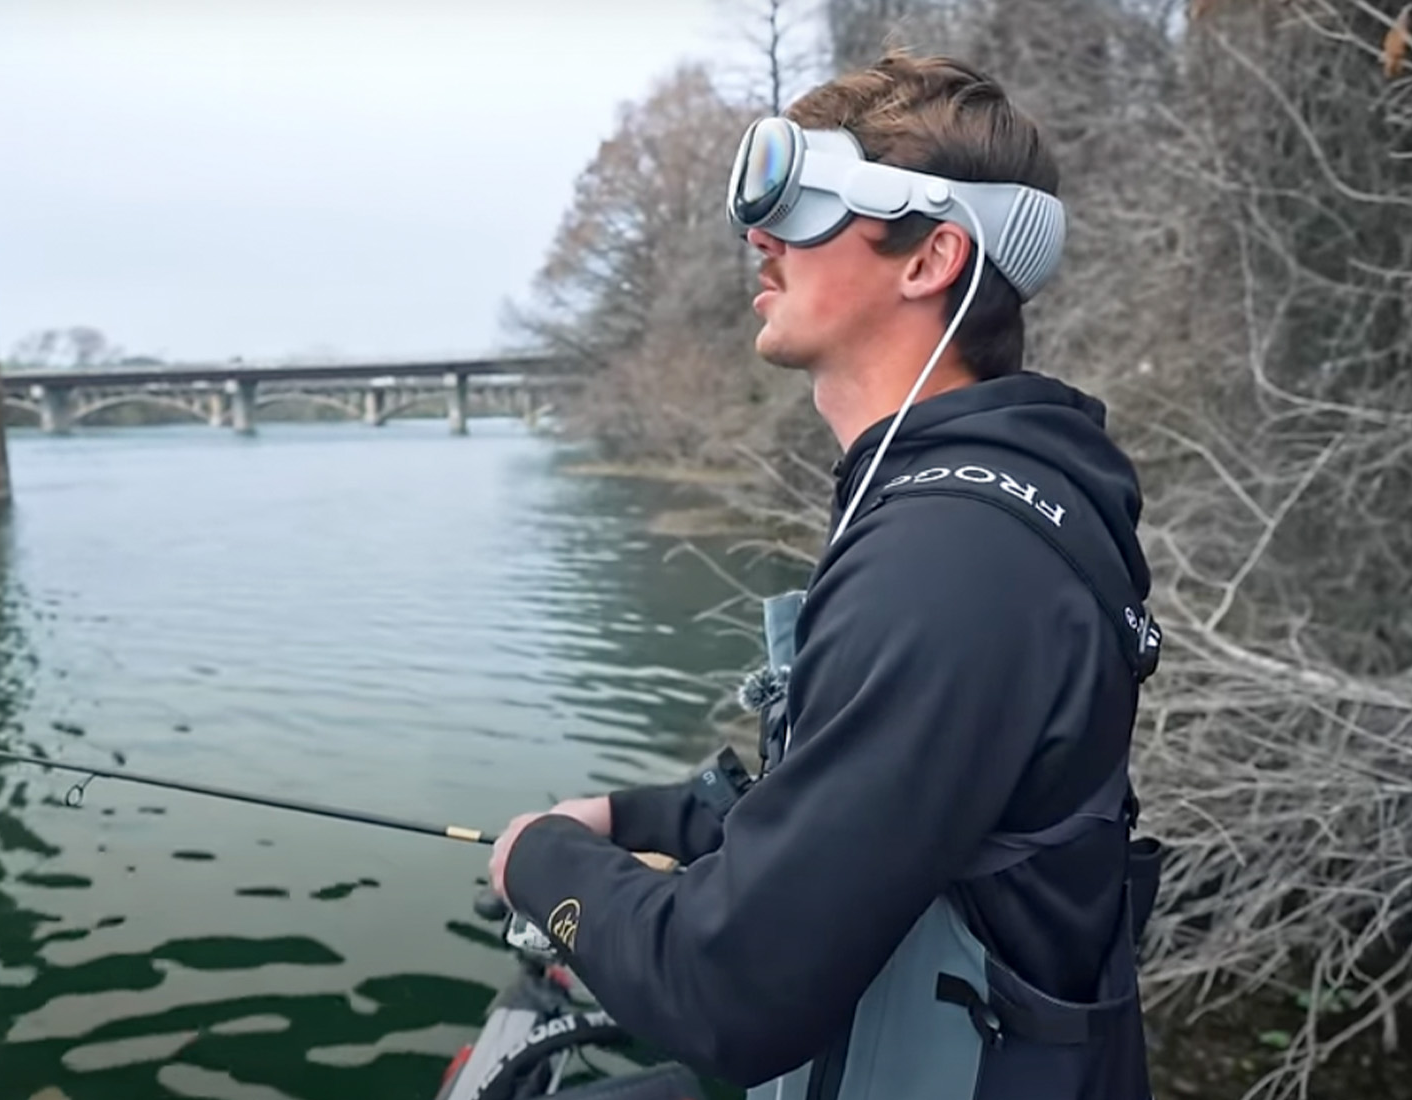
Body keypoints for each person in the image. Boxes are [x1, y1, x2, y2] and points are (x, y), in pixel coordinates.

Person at [487, 48, 1163, 1100]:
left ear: (930, 257)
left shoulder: (953, 563)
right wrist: (639, 817)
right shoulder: (971, 502)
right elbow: (882, 805)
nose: (757, 240)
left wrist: (540, 859)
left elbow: (726, 990)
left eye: (802, 211)